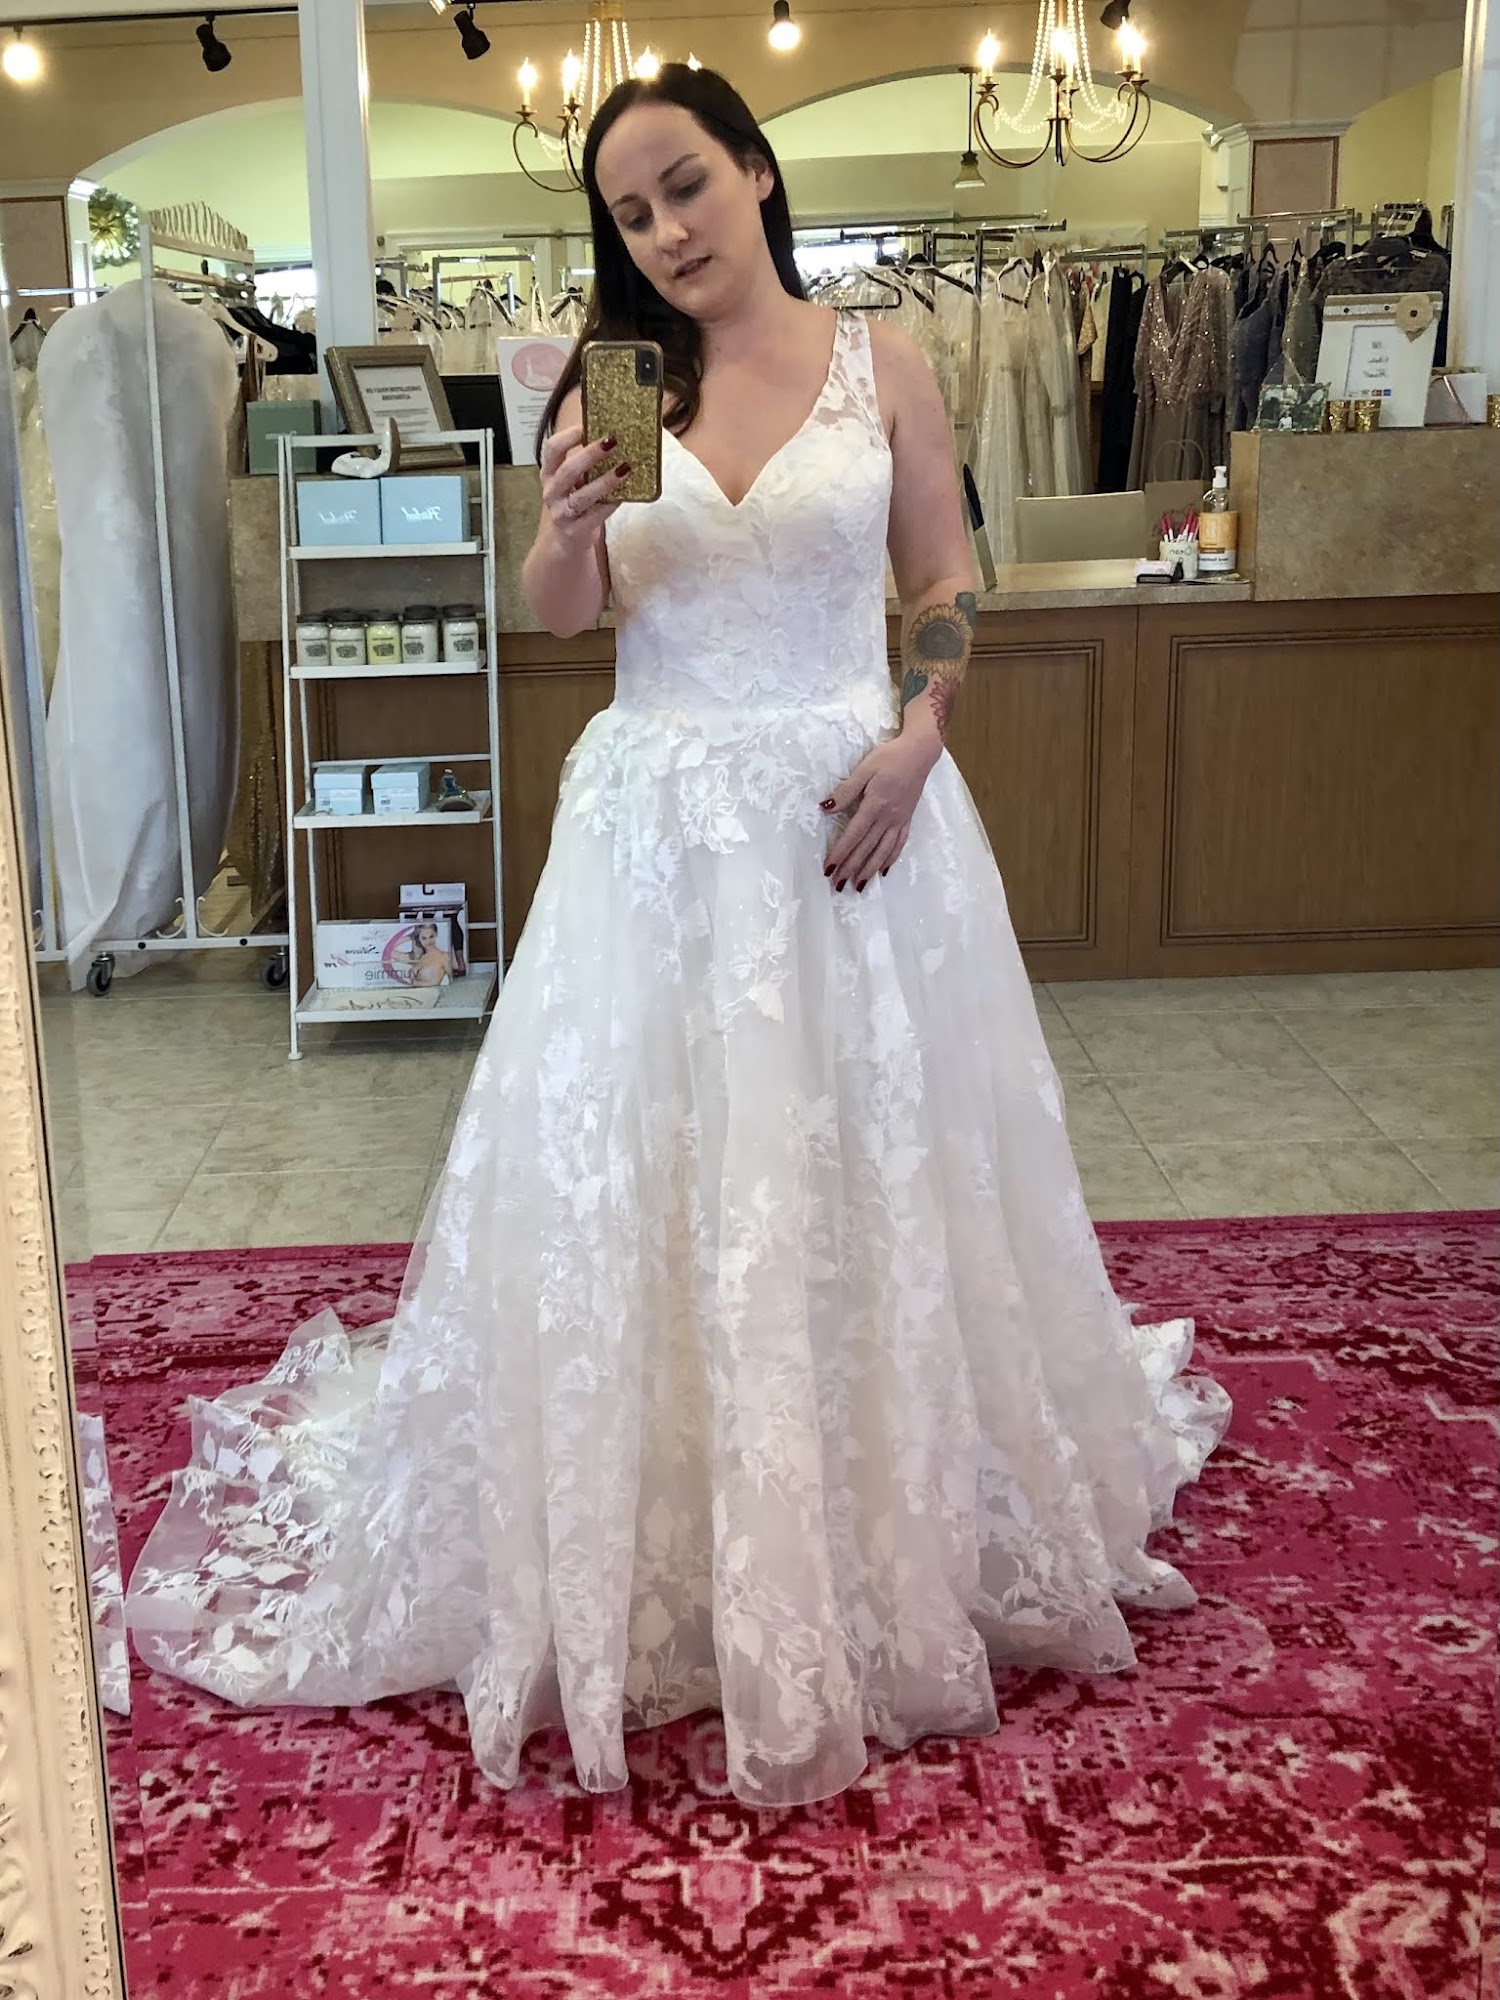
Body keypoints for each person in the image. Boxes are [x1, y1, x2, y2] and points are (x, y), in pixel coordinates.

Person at [125, 66, 1230, 1811]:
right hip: (654, 832)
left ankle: (870, 1496)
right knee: (651, 1167)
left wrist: (921, 734)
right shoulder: (611, 380)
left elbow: (944, 582)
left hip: (853, 818)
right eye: (631, 212)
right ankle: (666, 1502)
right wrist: (565, 529)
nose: (665, 232)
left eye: (687, 186)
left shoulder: (889, 365)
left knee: (859, 1156)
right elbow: (567, 615)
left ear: (758, 172)